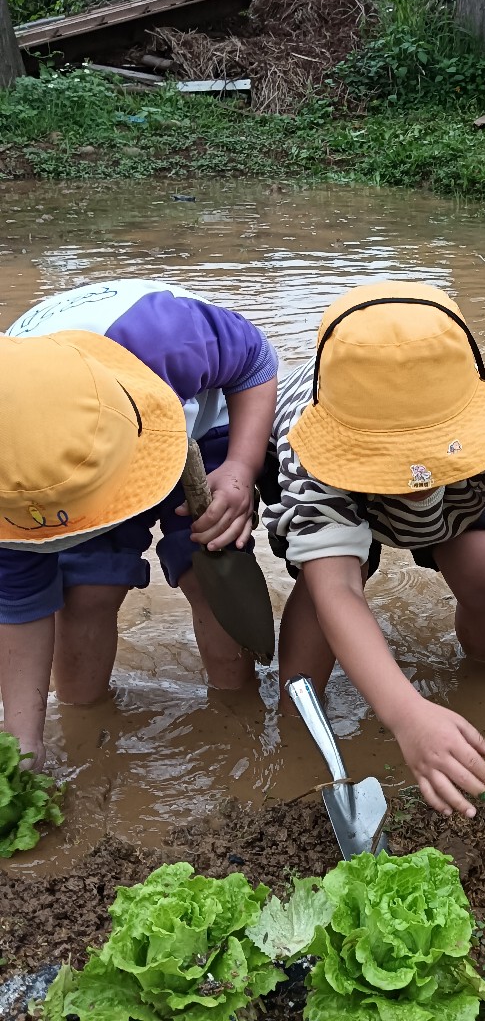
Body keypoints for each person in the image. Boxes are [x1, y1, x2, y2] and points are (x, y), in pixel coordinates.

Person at [262, 281, 485, 821]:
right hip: (347, 494)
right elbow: (338, 588)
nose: (410, 480)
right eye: (396, 463)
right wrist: (406, 715)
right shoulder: (309, 450)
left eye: (422, 458)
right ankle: (298, 731)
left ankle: (482, 675)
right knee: (316, 601)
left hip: (456, 495)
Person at [0, 279, 278, 768]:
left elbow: (256, 361)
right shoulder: (12, 481)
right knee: (85, 590)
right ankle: (84, 721)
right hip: (51, 455)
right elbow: (19, 605)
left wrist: (241, 466)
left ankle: (239, 711)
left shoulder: (168, 338)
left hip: (191, 416)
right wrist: (22, 745)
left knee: (211, 561)